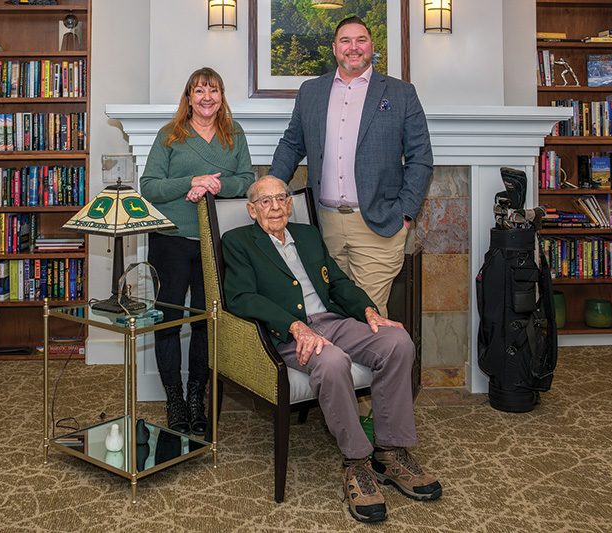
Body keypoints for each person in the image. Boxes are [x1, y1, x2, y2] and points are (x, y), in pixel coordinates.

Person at [222, 177, 440, 523]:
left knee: (397, 342)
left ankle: (389, 452)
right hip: (289, 334)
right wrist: (294, 326)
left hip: (333, 321)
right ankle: (356, 463)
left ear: (290, 204)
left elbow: (337, 281)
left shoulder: (308, 236)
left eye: (281, 198)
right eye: (265, 201)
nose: (275, 206)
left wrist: (369, 311)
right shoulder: (237, 242)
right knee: (334, 362)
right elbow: (241, 297)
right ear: (252, 209)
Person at [269, 16, 433, 316]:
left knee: (368, 315)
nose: (353, 47)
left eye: (360, 40)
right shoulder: (311, 92)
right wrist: (268, 189)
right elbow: (292, 144)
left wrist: (405, 216)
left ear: (372, 46)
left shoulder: (401, 93)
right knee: (330, 312)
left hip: (378, 226)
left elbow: (420, 158)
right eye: (345, 41)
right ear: (335, 48)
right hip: (324, 227)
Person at [140, 67, 254, 436]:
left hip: (215, 241)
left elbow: (248, 181)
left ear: (222, 97)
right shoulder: (170, 136)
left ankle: (196, 396)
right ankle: (173, 398)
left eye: (214, 90)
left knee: (206, 320)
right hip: (171, 239)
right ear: (188, 98)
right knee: (169, 320)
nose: (207, 97)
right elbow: (150, 188)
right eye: (200, 91)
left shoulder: (234, 136)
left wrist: (213, 186)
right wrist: (192, 181)